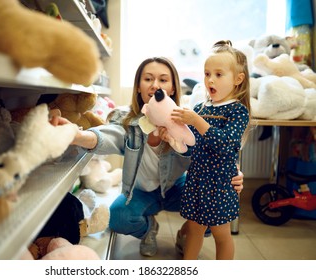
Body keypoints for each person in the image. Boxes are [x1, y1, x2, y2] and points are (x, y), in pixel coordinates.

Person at [55, 56, 244, 257]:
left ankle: (186, 234)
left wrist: (235, 173)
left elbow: (210, 148)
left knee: (210, 213)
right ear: (138, 86)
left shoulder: (185, 119)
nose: (155, 85)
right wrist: (78, 135)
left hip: (176, 187)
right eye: (148, 79)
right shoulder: (125, 120)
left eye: (163, 80)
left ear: (172, 89)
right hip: (141, 192)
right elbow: (108, 136)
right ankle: (149, 229)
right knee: (118, 217)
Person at [171, 40, 251, 260]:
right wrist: (173, 135)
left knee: (221, 233)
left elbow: (225, 144)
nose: (210, 80)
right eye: (207, 74)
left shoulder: (238, 112)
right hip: (197, 180)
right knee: (195, 229)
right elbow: (191, 145)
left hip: (220, 183)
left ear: (238, 79)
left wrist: (196, 121)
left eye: (218, 74)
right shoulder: (200, 108)